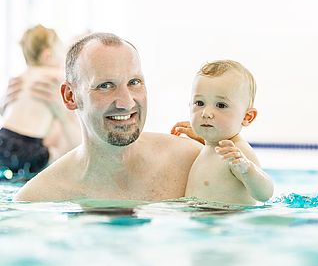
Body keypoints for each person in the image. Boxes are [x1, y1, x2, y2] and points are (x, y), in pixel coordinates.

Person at [14, 32, 202, 202]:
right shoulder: (40, 198)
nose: (127, 103)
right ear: (70, 96)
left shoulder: (191, 160)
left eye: (134, 82)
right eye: (105, 86)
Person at [172, 60, 273, 205]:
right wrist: (202, 137)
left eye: (221, 105)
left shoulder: (237, 153)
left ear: (246, 117)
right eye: (199, 103)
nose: (206, 113)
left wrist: (247, 169)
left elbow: (265, 194)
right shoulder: (213, 146)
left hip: (225, 223)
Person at [0, 25, 80, 178]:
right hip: (31, 146)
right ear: (48, 55)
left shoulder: (21, 77)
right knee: (55, 157)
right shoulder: (58, 77)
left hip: (3, 138)